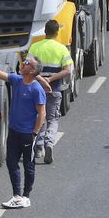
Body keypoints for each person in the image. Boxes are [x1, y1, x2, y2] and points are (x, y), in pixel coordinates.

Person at [0, 49, 45, 208]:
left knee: (28, 165)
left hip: (28, 135)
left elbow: (42, 113)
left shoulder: (36, 89)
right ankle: (17, 195)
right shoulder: (17, 80)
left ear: (32, 71)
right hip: (14, 132)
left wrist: (34, 133)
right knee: (11, 162)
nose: (23, 64)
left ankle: (26, 196)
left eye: (27, 63)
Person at [26, 21, 74, 164]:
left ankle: (39, 148)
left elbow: (28, 68)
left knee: (38, 116)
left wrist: (41, 79)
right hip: (55, 89)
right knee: (52, 119)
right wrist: (51, 79)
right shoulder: (61, 49)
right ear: (57, 32)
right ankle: (49, 143)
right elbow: (67, 70)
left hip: (36, 90)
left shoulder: (35, 47)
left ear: (45, 31)